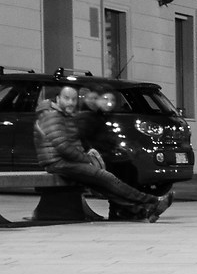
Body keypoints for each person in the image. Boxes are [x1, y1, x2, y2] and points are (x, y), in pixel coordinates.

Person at [35, 86, 168, 221]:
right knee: (105, 177)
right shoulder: (52, 116)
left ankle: (142, 210)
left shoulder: (65, 115)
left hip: (66, 161)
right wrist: (87, 159)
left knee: (103, 184)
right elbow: (63, 147)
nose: (71, 103)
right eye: (67, 98)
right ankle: (152, 201)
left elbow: (74, 144)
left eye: (74, 99)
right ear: (58, 99)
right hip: (57, 162)